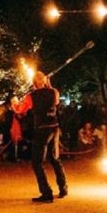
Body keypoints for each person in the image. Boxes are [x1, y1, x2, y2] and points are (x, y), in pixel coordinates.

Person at [12, 71, 68, 203]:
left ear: (33, 83)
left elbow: (20, 109)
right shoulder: (54, 92)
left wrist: (14, 101)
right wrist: (49, 85)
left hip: (41, 129)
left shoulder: (31, 96)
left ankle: (46, 192)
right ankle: (63, 188)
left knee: (37, 162)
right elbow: (56, 100)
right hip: (54, 128)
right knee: (55, 159)